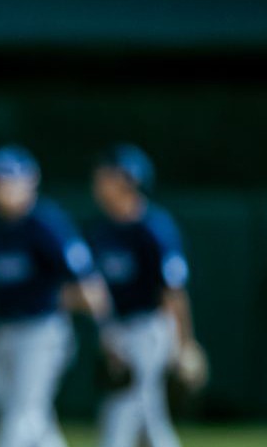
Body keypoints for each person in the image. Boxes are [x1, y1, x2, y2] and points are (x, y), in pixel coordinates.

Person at [0, 144, 113, 447]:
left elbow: (90, 286)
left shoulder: (46, 224)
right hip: (5, 330)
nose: (3, 187)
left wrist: (109, 336)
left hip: (41, 333)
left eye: (10, 179)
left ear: (30, 182)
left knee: (20, 417)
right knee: (37, 422)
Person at [87, 142, 206, 447]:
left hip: (150, 328)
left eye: (106, 175)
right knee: (150, 425)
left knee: (119, 418)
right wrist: (108, 336)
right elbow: (100, 293)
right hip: (120, 329)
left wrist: (185, 345)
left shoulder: (154, 228)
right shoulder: (102, 230)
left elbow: (173, 292)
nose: (99, 181)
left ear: (128, 180)